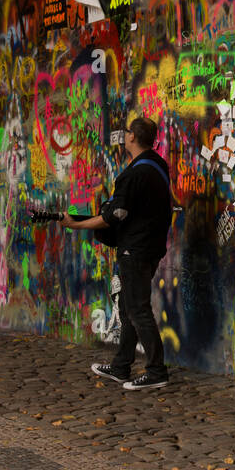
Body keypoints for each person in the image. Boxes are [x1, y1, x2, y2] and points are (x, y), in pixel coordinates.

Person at [62, 116, 172, 390]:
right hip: (151, 247)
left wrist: (76, 225)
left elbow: (112, 217)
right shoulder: (158, 166)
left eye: (125, 132)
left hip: (134, 251)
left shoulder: (134, 174)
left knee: (137, 309)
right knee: (127, 307)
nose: (123, 135)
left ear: (132, 137)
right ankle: (121, 366)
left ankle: (157, 371)